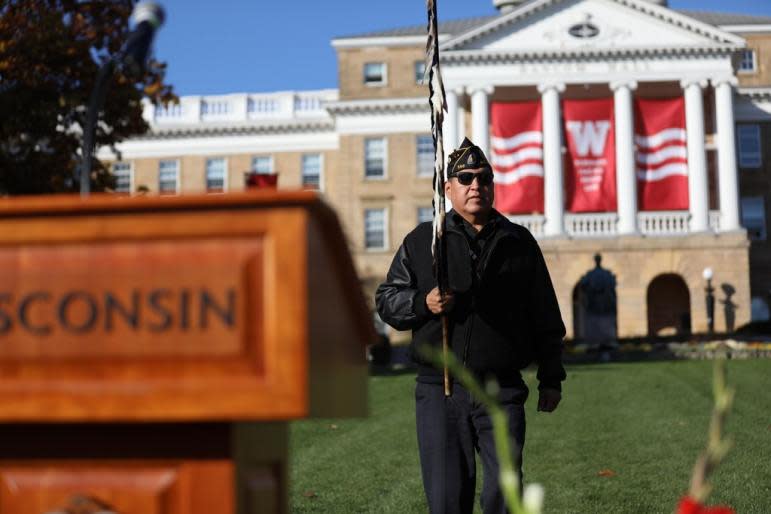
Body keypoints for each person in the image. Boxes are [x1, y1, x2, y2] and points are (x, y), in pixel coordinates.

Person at [375, 137, 566, 514]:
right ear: (448, 188)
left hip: (502, 388)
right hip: (440, 391)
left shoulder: (519, 242)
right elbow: (386, 299)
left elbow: (545, 314)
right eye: (465, 178)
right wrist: (422, 303)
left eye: (484, 178)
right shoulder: (423, 241)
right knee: (447, 500)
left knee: (503, 495)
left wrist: (551, 377)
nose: (476, 185)